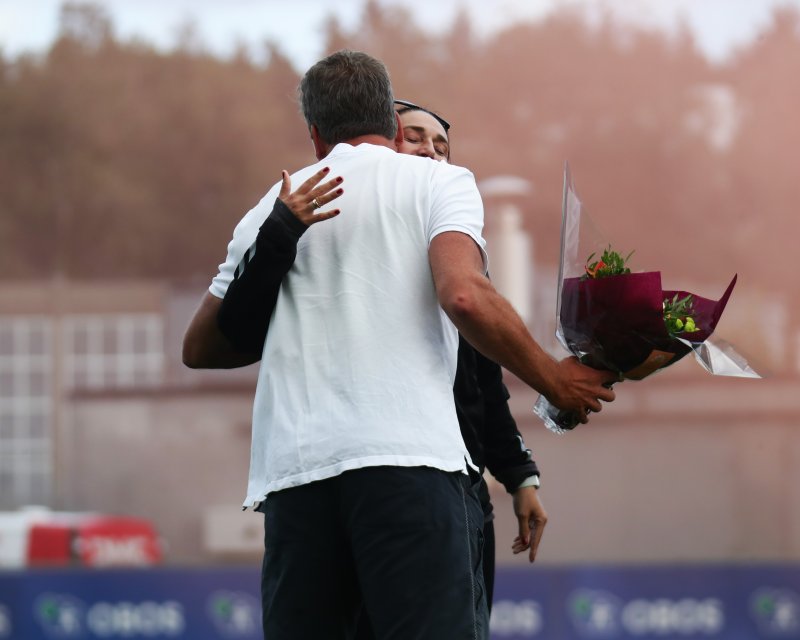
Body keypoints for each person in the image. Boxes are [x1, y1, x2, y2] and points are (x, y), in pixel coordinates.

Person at [183, 50, 616, 640]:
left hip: (296, 478)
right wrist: (555, 380)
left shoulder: (269, 207)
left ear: (315, 134)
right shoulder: (441, 181)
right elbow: (464, 295)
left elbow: (200, 348)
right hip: (409, 467)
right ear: (391, 123)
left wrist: (278, 265)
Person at [212, 99, 546, 620]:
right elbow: (216, 337)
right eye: (415, 137)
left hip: (451, 476)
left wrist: (519, 474)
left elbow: (483, 381)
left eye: (442, 145)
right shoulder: (307, 232)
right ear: (384, 142)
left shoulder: (454, 254)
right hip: (347, 479)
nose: (430, 151)